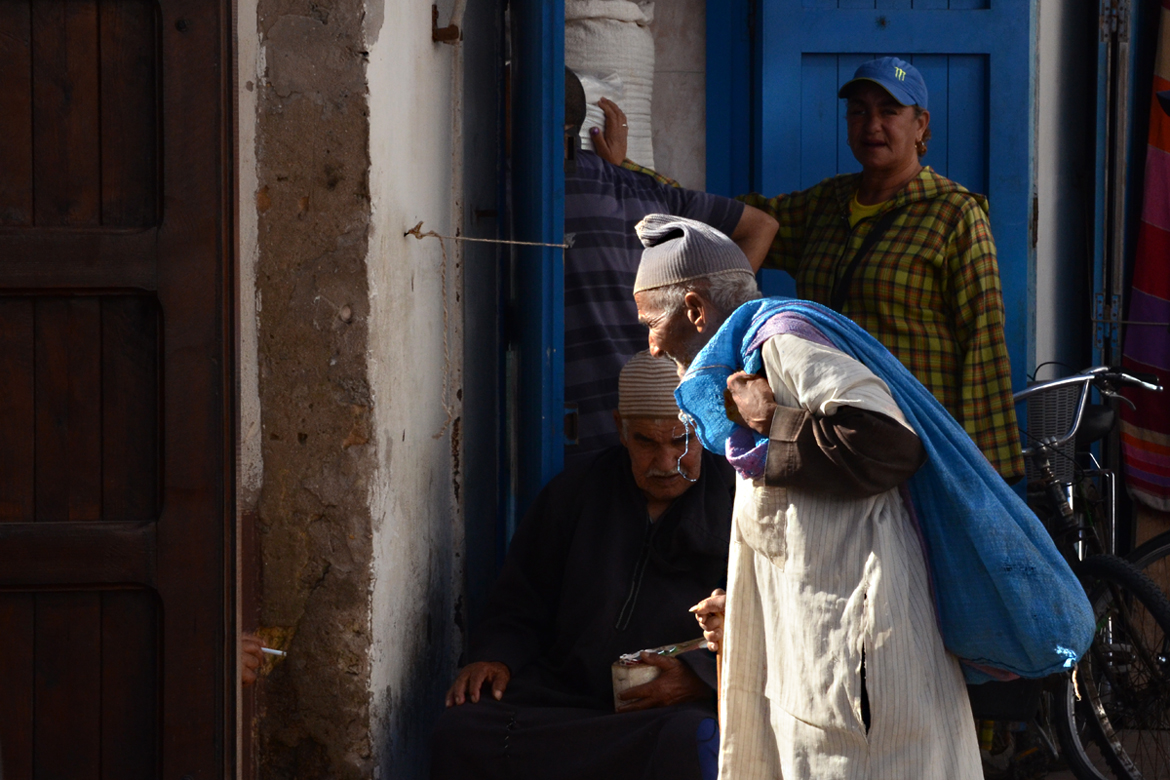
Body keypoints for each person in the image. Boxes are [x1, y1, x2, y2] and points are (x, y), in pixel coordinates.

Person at [632, 214, 984, 778]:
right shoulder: (748, 357)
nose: (650, 347)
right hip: (826, 660)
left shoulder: (783, 344)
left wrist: (770, 418)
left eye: (651, 323)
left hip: (862, 670)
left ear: (695, 311)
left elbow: (888, 444)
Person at [429, 350, 734, 780]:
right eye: (647, 442)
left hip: (663, 708)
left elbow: (761, 624)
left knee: (692, 738)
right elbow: (521, 599)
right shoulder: (576, 492)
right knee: (462, 730)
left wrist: (700, 678)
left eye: (681, 440)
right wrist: (495, 656)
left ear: (702, 432)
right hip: (564, 696)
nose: (666, 463)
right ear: (621, 431)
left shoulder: (737, 505)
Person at [738, 57, 1024, 483]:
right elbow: (734, 217)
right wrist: (630, 179)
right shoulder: (826, 204)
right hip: (828, 436)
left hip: (911, 441)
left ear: (921, 125)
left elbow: (982, 336)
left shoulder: (954, 214)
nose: (872, 124)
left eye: (889, 111)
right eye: (858, 111)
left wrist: (985, 471)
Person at [563, 68, 778, 459]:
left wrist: (717, 305)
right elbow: (761, 225)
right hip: (676, 426)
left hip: (583, 428)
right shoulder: (647, 192)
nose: (654, 345)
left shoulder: (521, 186)